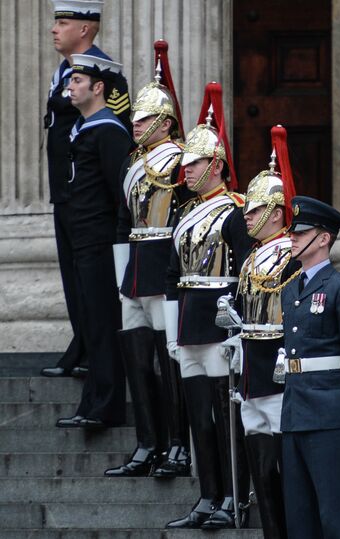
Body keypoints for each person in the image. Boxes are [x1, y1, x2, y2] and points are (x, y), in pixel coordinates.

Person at [163, 83, 253, 529]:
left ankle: (235, 496)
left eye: (194, 163)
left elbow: (245, 273)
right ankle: (207, 495)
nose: (186, 170)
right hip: (188, 320)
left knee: (225, 417)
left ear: (216, 165)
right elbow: (169, 273)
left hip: (219, 322)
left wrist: (238, 329)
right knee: (200, 417)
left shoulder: (236, 211)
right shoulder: (182, 212)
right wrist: (170, 331)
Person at [105, 41, 191, 478]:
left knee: (168, 360)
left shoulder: (179, 164)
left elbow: (186, 221)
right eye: (134, 117)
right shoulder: (131, 163)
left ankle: (178, 443)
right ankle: (147, 442)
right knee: (138, 361)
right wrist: (123, 277)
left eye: (142, 118)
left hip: (164, 264)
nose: (134, 124)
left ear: (164, 122)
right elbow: (123, 221)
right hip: (135, 267)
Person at [42, 0, 130, 378]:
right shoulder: (66, 71)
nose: (54, 29)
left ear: (86, 29)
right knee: (72, 275)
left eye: (63, 22)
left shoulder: (102, 75)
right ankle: (82, 346)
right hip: (67, 191)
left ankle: (96, 352)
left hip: (89, 196)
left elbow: (112, 131)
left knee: (92, 281)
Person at [222, 125, 299, 539]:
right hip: (252, 371)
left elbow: (295, 315)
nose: (245, 217)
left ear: (275, 212)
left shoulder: (290, 256)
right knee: (262, 471)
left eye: (253, 211)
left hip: (278, 372)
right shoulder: (251, 258)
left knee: (284, 473)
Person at [280, 195, 340, 539]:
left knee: (332, 513)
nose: (292, 237)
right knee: (299, 516)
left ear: (323, 238)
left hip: (331, 412)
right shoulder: (290, 290)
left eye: (300, 233)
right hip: (295, 411)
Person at [53, 53, 133, 429]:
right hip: (83, 240)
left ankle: (106, 406)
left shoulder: (109, 131)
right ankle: (91, 404)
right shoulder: (84, 128)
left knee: (103, 323)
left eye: (77, 82)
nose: (69, 87)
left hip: (101, 243)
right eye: (70, 81)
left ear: (98, 87)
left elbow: (122, 195)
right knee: (91, 321)